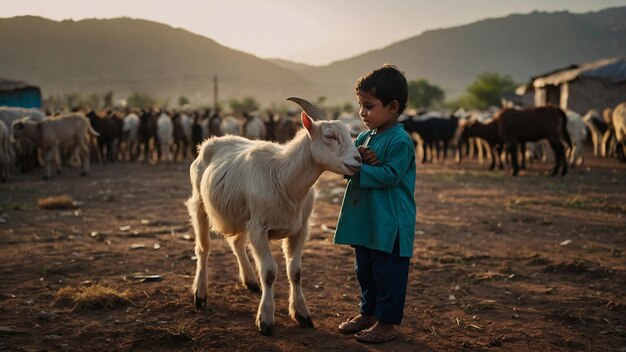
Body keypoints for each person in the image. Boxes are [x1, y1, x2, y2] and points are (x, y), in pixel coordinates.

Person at [334, 64, 416, 344]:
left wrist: (363, 168)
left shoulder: (400, 141)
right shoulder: (364, 137)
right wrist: (355, 160)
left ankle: (387, 323)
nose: (362, 113)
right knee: (365, 271)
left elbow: (391, 176)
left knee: (387, 273)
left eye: (368, 106)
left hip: (389, 222)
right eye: (360, 105)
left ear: (393, 107)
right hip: (366, 220)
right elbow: (350, 170)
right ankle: (368, 314)